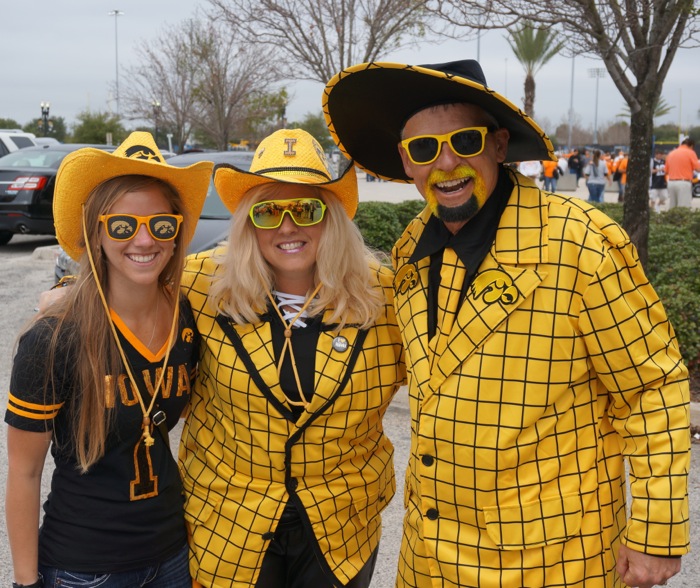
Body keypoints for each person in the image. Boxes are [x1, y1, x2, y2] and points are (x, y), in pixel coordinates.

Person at [323, 59, 690, 588]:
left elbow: (653, 387)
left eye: (464, 142)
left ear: (497, 145)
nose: (446, 164)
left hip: (552, 562)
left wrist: (656, 532)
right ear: (407, 162)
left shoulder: (580, 243)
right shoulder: (410, 250)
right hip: (429, 562)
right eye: (425, 149)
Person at [177, 128, 405, 587]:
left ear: (332, 217)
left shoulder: (386, 295)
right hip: (230, 521)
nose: (287, 226)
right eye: (267, 212)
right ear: (248, 222)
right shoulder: (201, 283)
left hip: (341, 525)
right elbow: (121, 280)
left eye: (306, 209)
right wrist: (64, 295)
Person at [5, 132, 213, 587]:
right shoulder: (53, 338)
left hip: (174, 555)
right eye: (123, 225)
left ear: (177, 234)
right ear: (96, 233)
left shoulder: (189, 318)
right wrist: (25, 582)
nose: (144, 239)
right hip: (84, 567)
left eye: (161, 225)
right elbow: (23, 473)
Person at [665, 137, 700, 208]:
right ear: (691, 146)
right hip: (683, 183)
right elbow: (698, 168)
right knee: (684, 208)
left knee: (672, 207)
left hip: (671, 183)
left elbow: (666, 171)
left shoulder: (671, 153)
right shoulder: (690, 152)